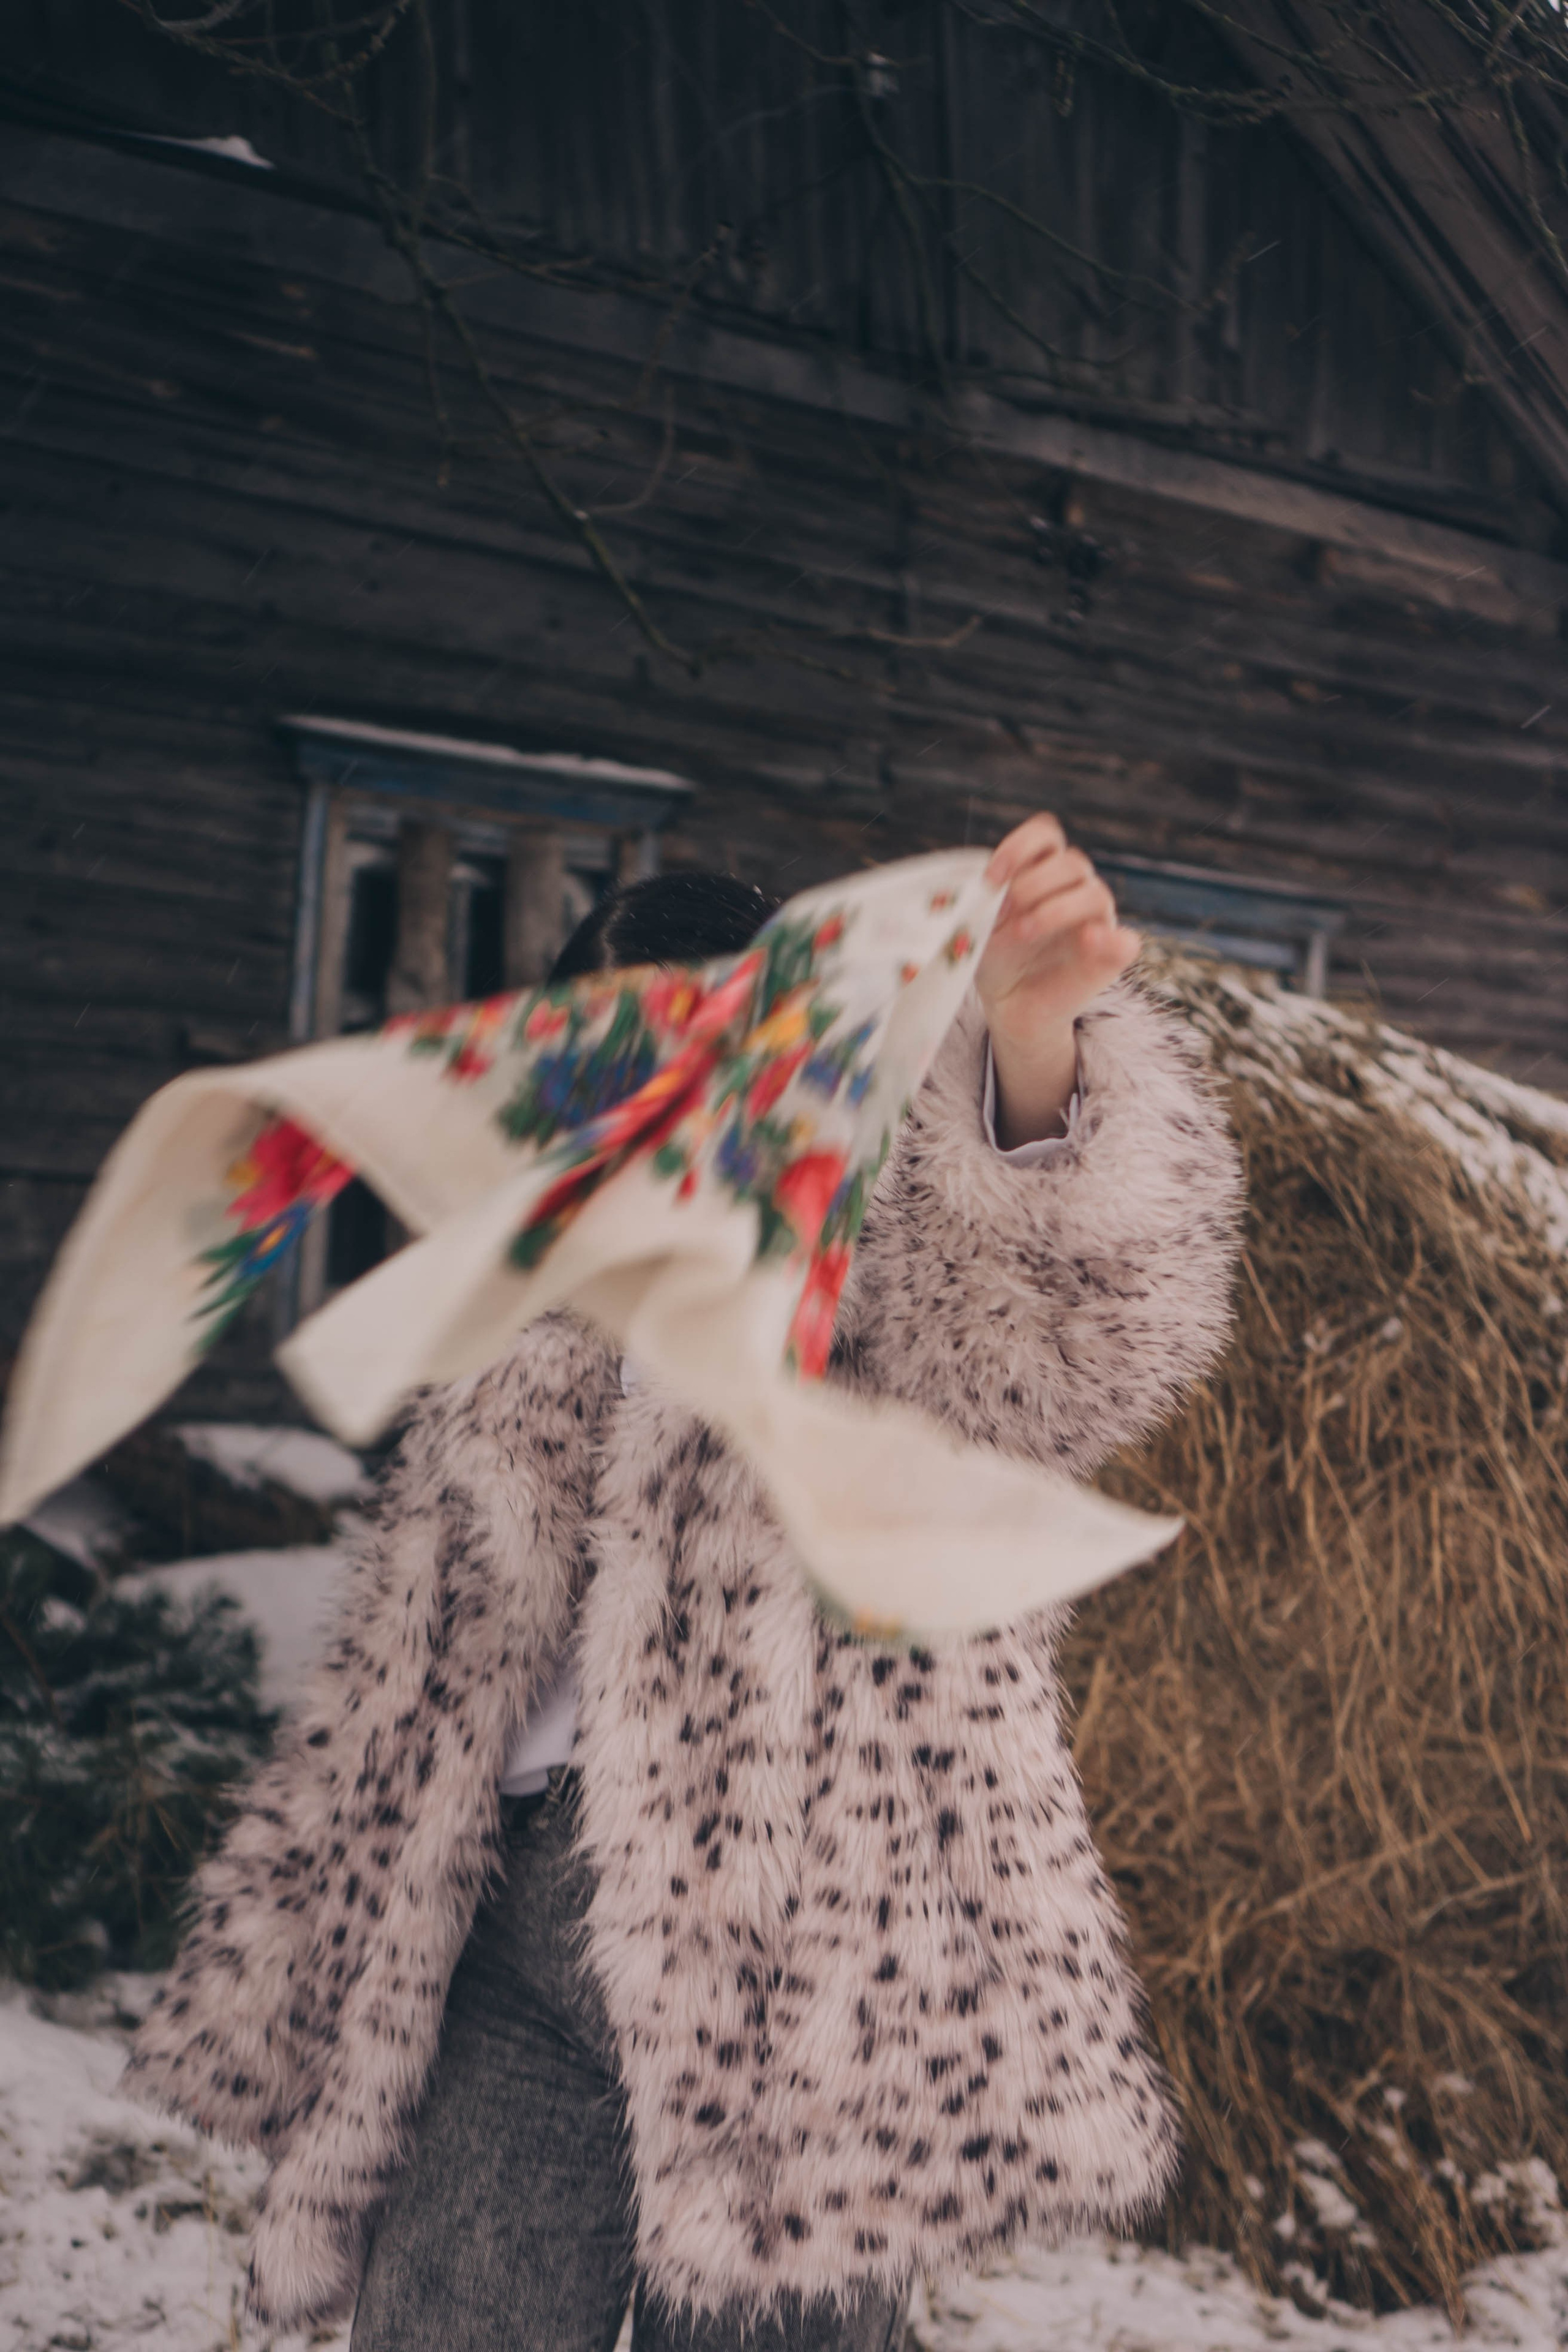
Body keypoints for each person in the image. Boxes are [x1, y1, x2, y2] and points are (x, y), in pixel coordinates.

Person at [124, 815, 1242, 2351]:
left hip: (812, 1942)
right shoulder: (517, 1305)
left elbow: (1075, 1324)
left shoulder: (896, 1281)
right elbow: (409, 1673)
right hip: (503, 1928)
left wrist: (1037, 1041)